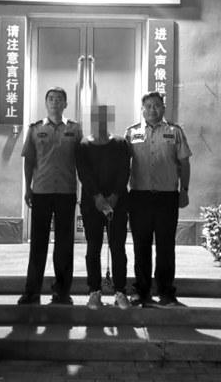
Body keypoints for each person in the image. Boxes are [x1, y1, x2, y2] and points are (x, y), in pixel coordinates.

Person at [124, 91, 191, 307]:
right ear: (142, 109)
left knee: (165, 246)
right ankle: (141, 291)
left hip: (166, 198)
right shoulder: (131, 133)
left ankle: (166, 291)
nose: (152, 109)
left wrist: (184, 190)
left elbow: (184, 163)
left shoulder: (174, 131)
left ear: (163, 108)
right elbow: (122, 164)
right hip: (139, 197)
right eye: (148, 106)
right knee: (141, 245)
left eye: (156, 105)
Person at [17, 87, 83, 305]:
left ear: (65, 104)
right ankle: (32, 292)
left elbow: (82, 162)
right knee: (38, 243)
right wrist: (28, 189)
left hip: (66, 192)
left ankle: (62, 292)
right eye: (51, 99)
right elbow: (29, 161)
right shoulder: (35, 129)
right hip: (41, 192)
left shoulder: (75, 129)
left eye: (59, 99)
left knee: (64, 245)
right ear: (46, 103)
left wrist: (84, 191)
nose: (55, 102)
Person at [75, 104, 131, 310]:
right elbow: (83, 173)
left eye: (104, 118)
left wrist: (115, 195)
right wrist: (97, 197)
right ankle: (94, 291)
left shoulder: (120, 143)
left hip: (118, 203)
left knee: (118, 248)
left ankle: (120, 292)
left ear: (109, 120)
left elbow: (125, 170)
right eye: (96, 118)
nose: (100, 122)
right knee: (93, 248)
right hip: (92, 204)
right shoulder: (83, 145)